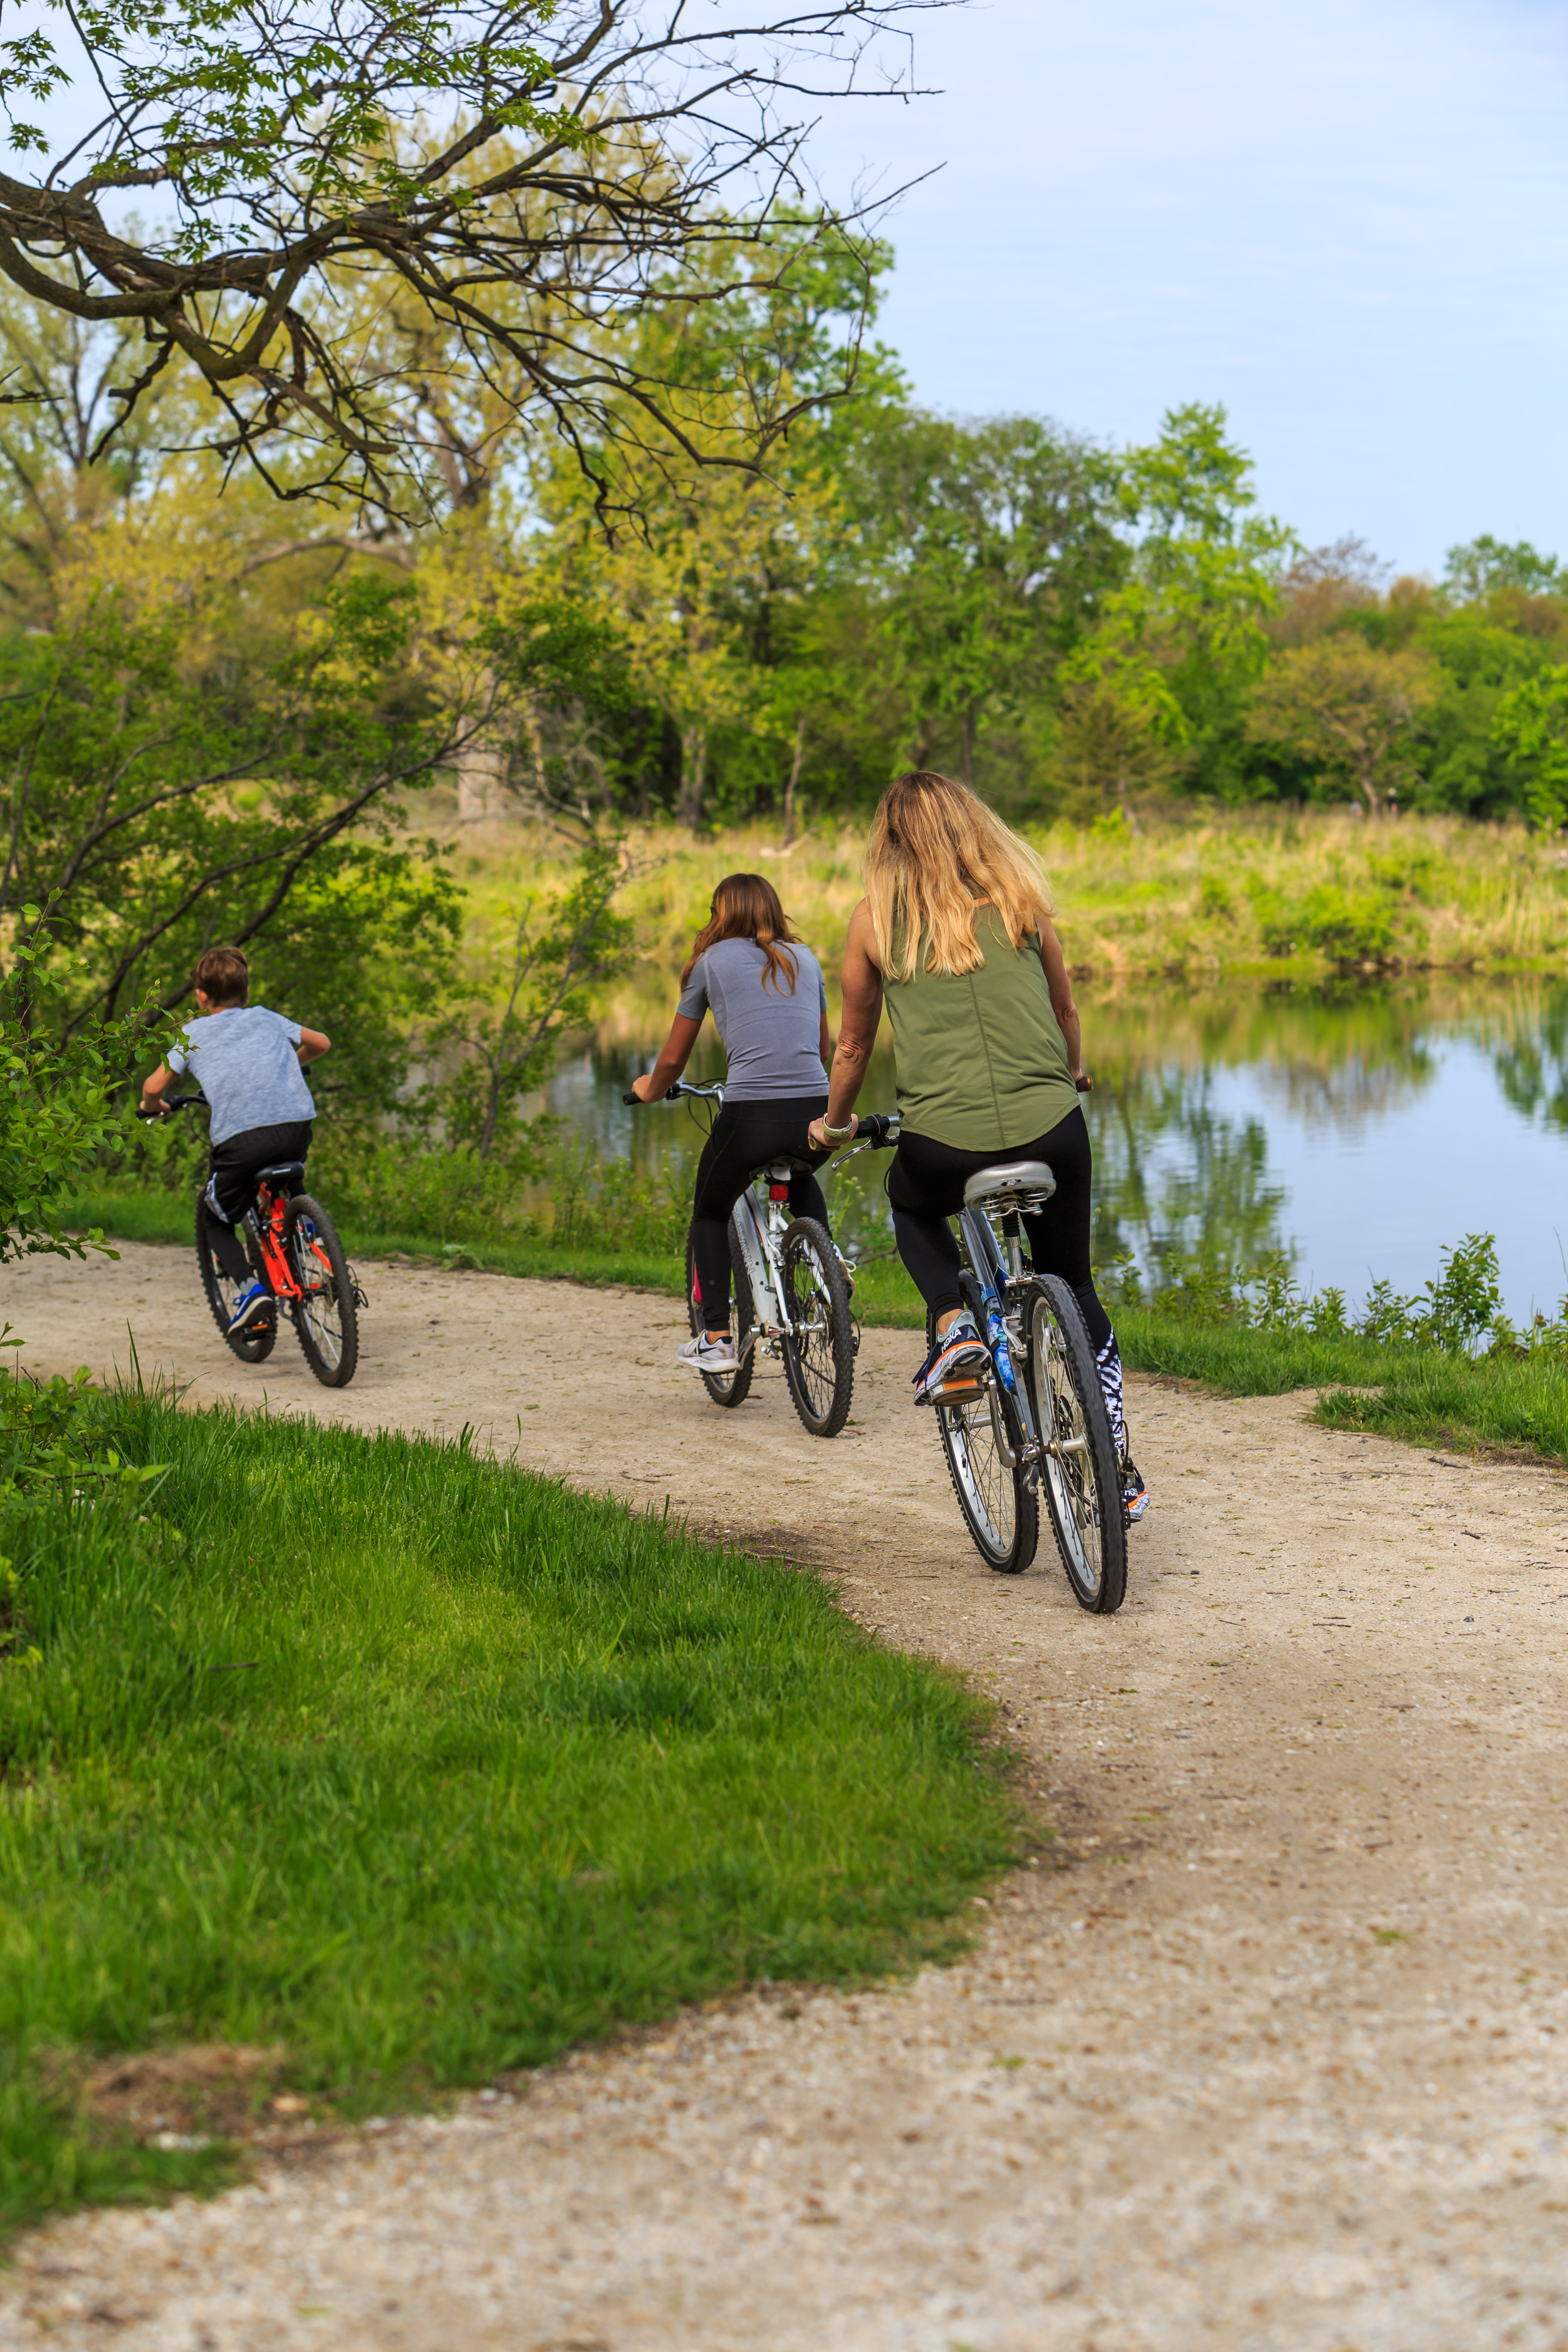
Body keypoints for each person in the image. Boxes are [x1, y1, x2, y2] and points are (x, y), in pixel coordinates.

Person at [809, 770, 1147, 1521]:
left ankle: (950, 1324)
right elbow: (1063, 1005)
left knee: (908, 1201)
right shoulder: (1022, 899)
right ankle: (1116, 1464)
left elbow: (855, 1045)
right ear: (973, 826)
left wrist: (833, 1125)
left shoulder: (874, 922)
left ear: (888, 842)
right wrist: (1071, 1073)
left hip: (943, 1145)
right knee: (1075, 1284)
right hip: (1054, 1130)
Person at [634, 873, 836, 1375]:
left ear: (720, 914)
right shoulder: (806, 957)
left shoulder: (710, 963)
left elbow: (674, 1060)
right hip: (817, 1108)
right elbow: (825, 1050)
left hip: (751, 1115)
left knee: (710, 1208)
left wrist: (648, 1091)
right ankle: (827, 1271)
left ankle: (718, 1338)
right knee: (803, 1171)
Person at [140, 945, 331, 1334]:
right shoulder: (266, 1018)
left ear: (201, 996)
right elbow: (322, 1043)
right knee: (283, 1157)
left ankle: (249, 1289)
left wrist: (153, 1106)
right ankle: (306, 1229)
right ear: (246, 993)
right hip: (297, 1127)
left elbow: (153, 1084)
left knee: (215, 1218)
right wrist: (285, 1065)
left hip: (241, 1141)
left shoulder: (192, 1032)